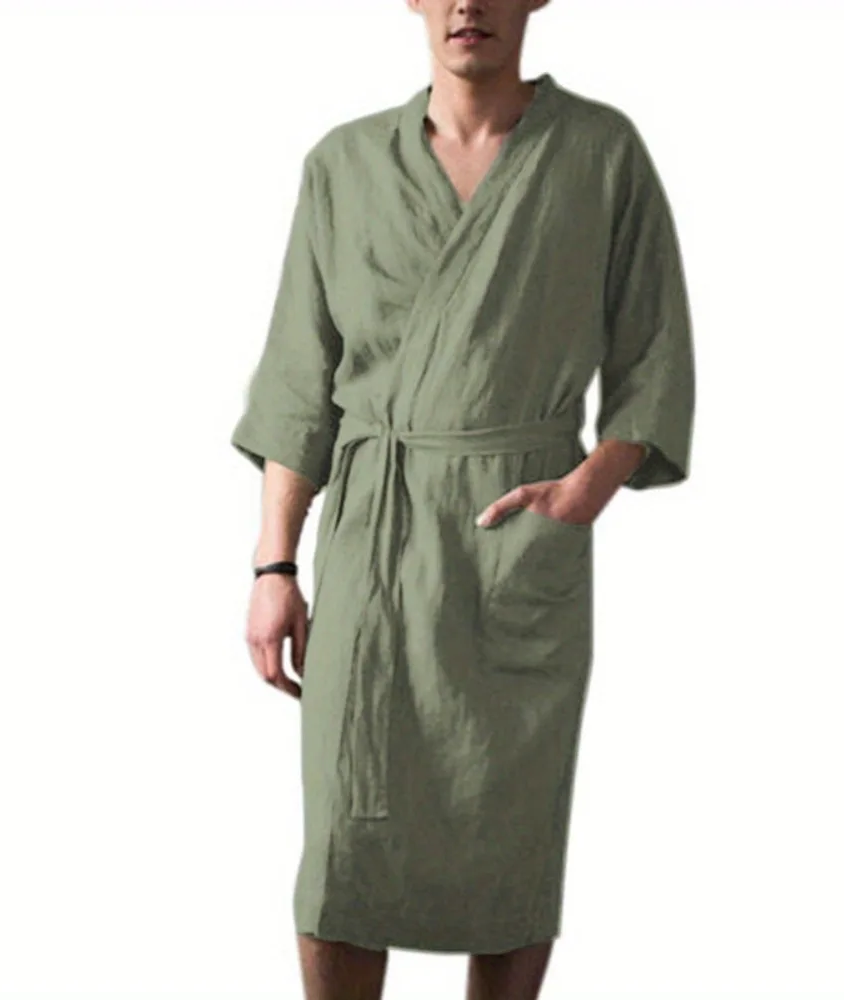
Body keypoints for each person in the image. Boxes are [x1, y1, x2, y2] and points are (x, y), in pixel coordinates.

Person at [231, 1, 695, 996]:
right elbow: (298, 380)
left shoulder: (598, 153)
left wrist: (585, 490)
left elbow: (654, 351)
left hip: (517, 536)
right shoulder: (343, 164)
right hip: (374, 538)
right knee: (348, 850)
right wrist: (274, 564)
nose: (466, 5)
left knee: (509, 842)